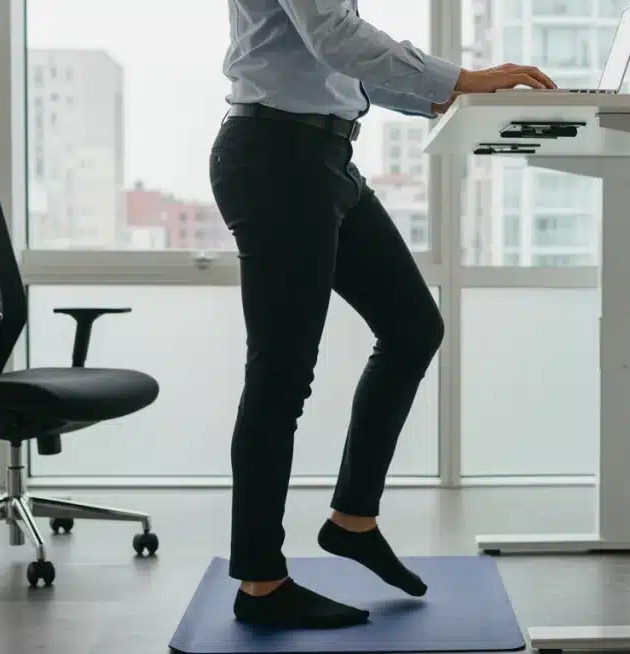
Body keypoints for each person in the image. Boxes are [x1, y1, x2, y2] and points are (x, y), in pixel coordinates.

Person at [211, 0, 556, 630]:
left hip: (324, 158)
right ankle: (260, 581)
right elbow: (336, 37)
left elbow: (339, 70)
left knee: (413, 328)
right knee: (281, 375)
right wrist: (462, 78)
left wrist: (443, 97)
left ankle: (352, 520)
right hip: (276, 158)